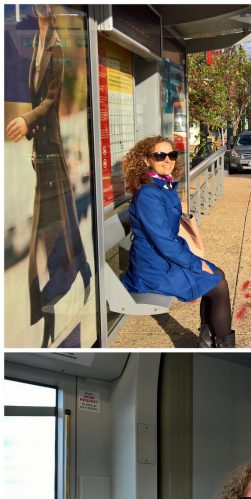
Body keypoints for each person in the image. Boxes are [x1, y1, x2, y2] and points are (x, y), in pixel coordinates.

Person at [6, 4, 92, 347]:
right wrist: (30, 129)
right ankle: (71, 276)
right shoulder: (36, 43)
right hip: (43, 150)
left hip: (52, 150)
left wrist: (28, 120)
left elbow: (51, 99)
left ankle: (48, 300)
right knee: (59, 221)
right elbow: (37, 95)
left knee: (51, 222)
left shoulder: (56, 46)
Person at [121, 136, 235, 348]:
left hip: (162, 259)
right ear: (147, 160)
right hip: (153, 268)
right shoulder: (149, 194)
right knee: (218, 286)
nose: (167, 160)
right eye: (159, 155)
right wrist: (194, 262)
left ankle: (208, 339)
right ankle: (222, 345)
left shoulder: (163, 186)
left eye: (171, 155)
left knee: (217, 274)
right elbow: (164, 241)